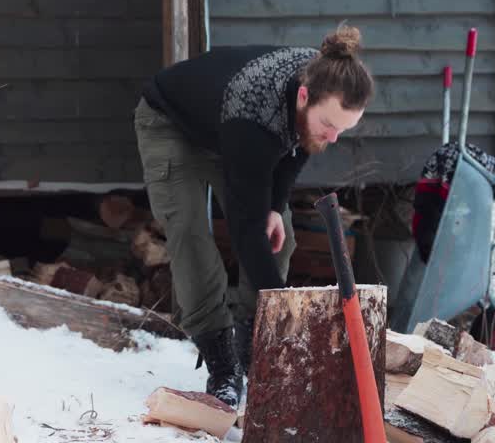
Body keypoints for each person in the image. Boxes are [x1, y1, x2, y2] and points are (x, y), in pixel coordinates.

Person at [132, 25, 374, 407]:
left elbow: (298, 148)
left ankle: (251, 339)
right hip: (171, 124)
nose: (333, 138)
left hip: (225, 126)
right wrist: (282, 311)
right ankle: (223, 363)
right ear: (304, 97)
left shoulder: (324, 77)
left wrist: (276, 207)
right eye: (329, 125)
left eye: (343, 130)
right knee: (192, 239)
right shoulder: (255, 114)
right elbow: (245, 232)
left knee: (282, 237)